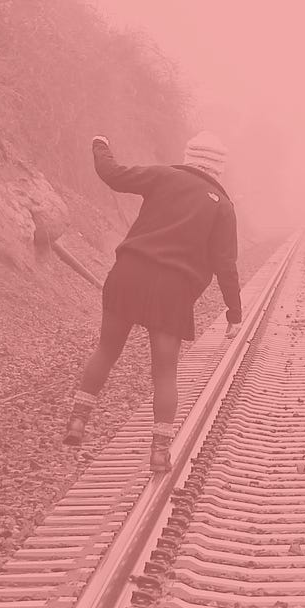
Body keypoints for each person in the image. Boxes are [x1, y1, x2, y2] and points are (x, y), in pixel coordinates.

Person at [64, 131, 242, 471]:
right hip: (173, 289)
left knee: (107, 349)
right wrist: (234, 313)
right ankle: (159, 451)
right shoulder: (222, 206)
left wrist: (101, 145)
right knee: (164, 372)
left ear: (189, 156)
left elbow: (113, 175)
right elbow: (225, 265)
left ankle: (77, 421)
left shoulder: (164, 176)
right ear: (219, 168)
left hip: (130, 273)